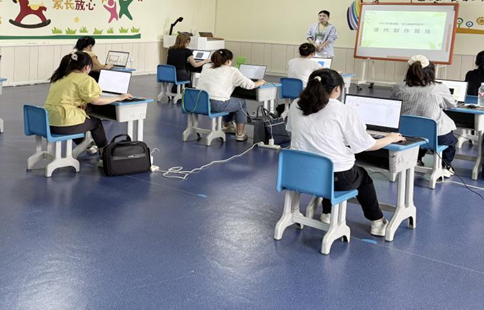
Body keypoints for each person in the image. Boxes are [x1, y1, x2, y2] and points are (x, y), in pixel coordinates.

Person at [287, 69, 403, 237]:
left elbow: (292, 129)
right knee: (362, 177)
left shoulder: (296, 104)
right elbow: (367, 145)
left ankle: (327, 213)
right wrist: (390, 138)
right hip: (335, 178)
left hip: (300, 174)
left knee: (328, 165)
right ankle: (377, 222)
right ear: (337, 89)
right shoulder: (343, 110)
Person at [44, 52, 132, 156]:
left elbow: (66, 97)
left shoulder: (60, 77)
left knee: (82, 120)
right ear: (87, 67)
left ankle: (88, 146)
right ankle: (104, 152)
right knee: (96, 123)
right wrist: (119, 97)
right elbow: (96, 101)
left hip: (48, 123)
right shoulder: (85, 79)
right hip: (63, 124)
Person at [391, 55, 458, 172]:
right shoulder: (439, 88)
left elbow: (393, 105)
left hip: (405, 134)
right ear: (431, 72)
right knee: (451, 141)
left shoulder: (398, 87)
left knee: (419, 133)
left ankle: (416, 158)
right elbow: (452, 105)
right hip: (434, 137)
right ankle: (445, 166)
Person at [196, 49, 264, 142]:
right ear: (228, 61)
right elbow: (250, 85)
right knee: (241, 103)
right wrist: (260, 82)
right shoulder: (232, 71)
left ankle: (227, 126)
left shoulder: (206, 66)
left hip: (199, 103)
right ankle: (240, 134)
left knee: (232, 100)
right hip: (215, 104)